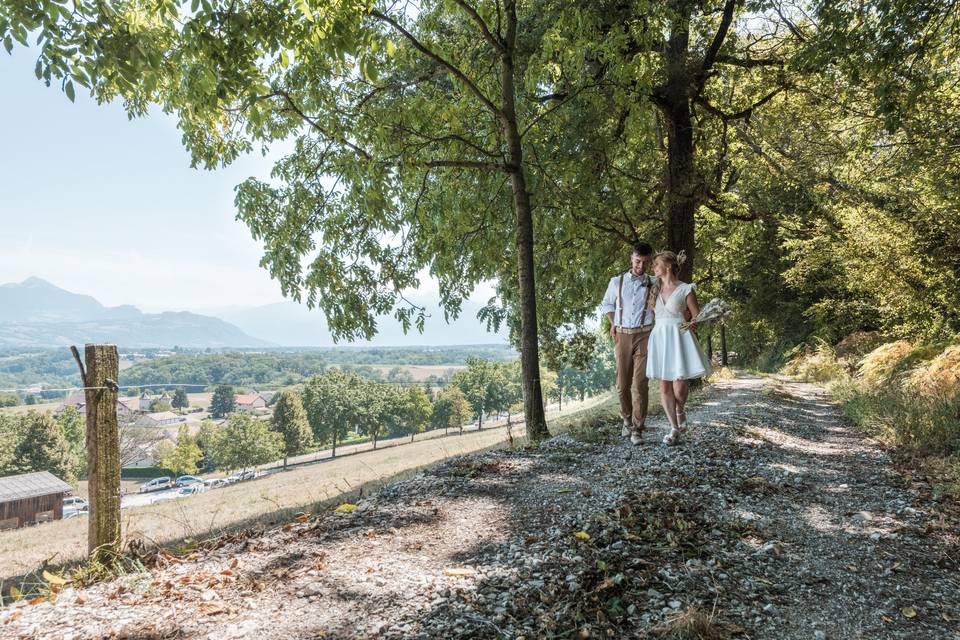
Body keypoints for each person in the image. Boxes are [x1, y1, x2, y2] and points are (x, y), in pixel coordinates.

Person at [646, 250, 711, 446]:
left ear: (667, 267)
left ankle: (680, 409)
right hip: (660, 337)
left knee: (680, 384)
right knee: (664, 384)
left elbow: (696, 314)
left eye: (656, 264)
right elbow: (653, 312)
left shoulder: (686, 289)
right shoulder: (654, 289)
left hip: (679, 336)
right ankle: (674, 428)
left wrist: (691, 322)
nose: (653, 268)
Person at [601, 242, 657, 445]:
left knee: (640, 384)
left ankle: (637, 428)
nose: (641, 266)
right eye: (637, 261)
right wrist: (613, 322)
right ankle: (626, 419)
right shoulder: (617, 282)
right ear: (631, 258)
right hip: (622, 335)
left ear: (650, 262)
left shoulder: (654, 283)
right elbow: (607, 303)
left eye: (645, 262)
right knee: (622, 385)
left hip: (645, 335)